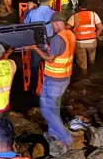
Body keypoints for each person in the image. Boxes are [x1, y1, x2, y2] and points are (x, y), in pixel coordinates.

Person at [29, 17, 76, 149]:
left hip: (54, 79)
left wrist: (35, 49)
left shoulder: (57, 38)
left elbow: (50, 59)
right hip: (65, 77)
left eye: (53, 25)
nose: (52, 28)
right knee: (55, 105)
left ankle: (65, 137)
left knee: (47, 110)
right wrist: (48, 47)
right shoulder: (70, 34)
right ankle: (53, 132)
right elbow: (61, 51)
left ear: (56, 23)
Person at [22, 0, 56, 95]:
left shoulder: (32, 12)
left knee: (35, 66)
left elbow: (25, 24)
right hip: (49, 42)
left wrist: (29, 10)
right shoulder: (53, 13)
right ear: (48, 2)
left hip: (36, 42)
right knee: (49, 65)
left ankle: (32, 90)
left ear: (39, 1)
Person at [68, 4, 103, 73]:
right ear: (86, 7)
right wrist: (95, 35)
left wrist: (72, 35)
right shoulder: (93, 14)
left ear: (79, 7)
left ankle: (84, 74)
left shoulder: (74, 16)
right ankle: (93, 70)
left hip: (80, 43)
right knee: (92, 59)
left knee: (82, 62)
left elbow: (67, 27)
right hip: (92, 42)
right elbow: (101, 27)